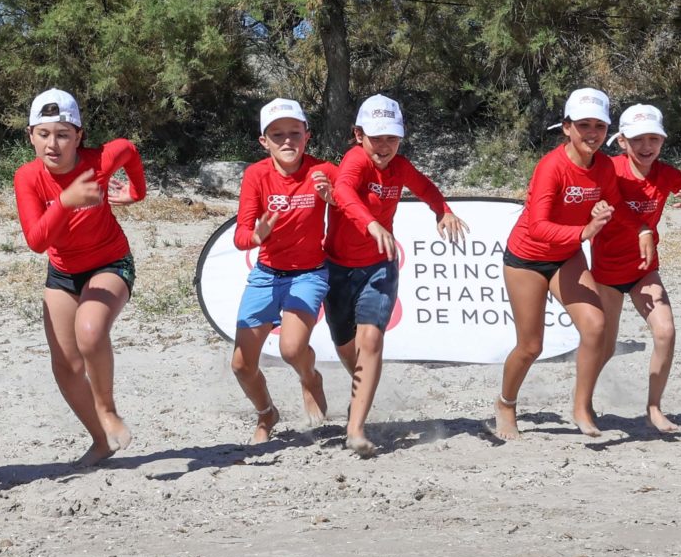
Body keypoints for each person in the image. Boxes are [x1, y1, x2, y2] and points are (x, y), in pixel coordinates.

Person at [327, 94, 468, 456]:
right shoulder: (355, 161)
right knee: (347, 348)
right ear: (359, 135)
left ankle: (356, 428)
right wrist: (370, 222)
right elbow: (342, 190)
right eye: (377, 138)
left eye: (392, 137)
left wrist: (442, 211)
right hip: (338, 269)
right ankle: (359, 399)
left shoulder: (401, 166)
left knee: (371, 342)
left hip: (380, 265)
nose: (385, 146)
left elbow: (426, 188)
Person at [13, 88, 146, 464]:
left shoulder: (100, 161)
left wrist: (137, 191)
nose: (52, 144)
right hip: (63, 272)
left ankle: (108, 411)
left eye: (63, 134)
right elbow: (37, 240)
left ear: (79, 137)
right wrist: (68, 201)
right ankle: (100, 440)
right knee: (67, 366)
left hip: (111, 263)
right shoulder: (26, 177)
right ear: (30, 136)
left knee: (90, 332)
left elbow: (129, 150)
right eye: (43, 134)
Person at [577, 104, 681, 435]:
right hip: (607, 275)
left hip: (643, 270)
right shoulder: (608, 169)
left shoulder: (666, 174)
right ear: (622, 141)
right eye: (638, 139)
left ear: (663, 141)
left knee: (666, 332)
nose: (646, 146)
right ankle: (584, 403)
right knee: (605, 347)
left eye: (654, 138)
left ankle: (654, 407)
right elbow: (585, 204)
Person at [495, 87, 620, 440]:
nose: (592, 133)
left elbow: (611, 206)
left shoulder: (605, 167)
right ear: (566, 127)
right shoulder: (551, 167)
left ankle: (581, 407)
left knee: (596, 326)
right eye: (584, 125)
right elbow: (537, 226)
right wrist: (585, 231)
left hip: (565, 255)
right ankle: (505, 403)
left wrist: (606, 213)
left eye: (599, 125)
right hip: (527, 259)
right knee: (531, 346)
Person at [229, 99, 335, 443]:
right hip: (266, 274)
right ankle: (266, 414)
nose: (287, 141)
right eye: (278, 135)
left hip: (309, 273)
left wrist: (333, 198)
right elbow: (241, 235)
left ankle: (310, 378)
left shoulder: (323, 171)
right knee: (241, 365)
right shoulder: (256, 175)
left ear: (307, 135)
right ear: (264, 141)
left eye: (294, 133)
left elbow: (355, 204)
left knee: (291, 349)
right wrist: (256, 236)